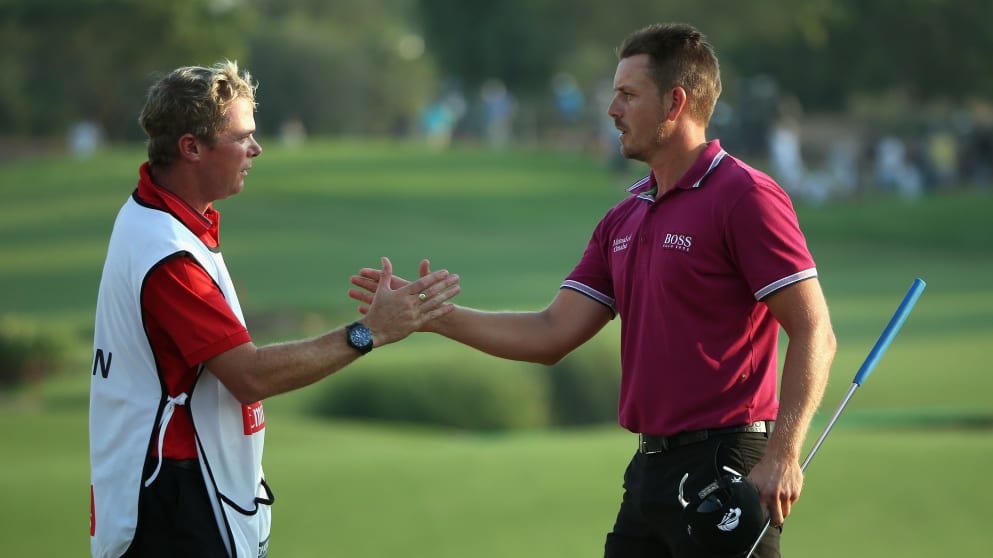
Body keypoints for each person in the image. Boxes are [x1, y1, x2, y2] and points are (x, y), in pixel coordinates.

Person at [350, 23, 836, 557]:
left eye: (628, 95)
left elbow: (814, 331)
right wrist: (433, 315)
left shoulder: (744, 196)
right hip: (650, 471)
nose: (612, 109)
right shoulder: (624, 217)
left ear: (675, 102)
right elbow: (551, 332)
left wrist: (785, 454)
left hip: (728, 465)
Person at [88, 60, 461, 558]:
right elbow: (250, 375)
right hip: (174, 500)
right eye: (242, 137)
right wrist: (369, 331)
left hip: (182, 489)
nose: (256, 149)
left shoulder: (160, 219)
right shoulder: (168, 254)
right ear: (192, 148)